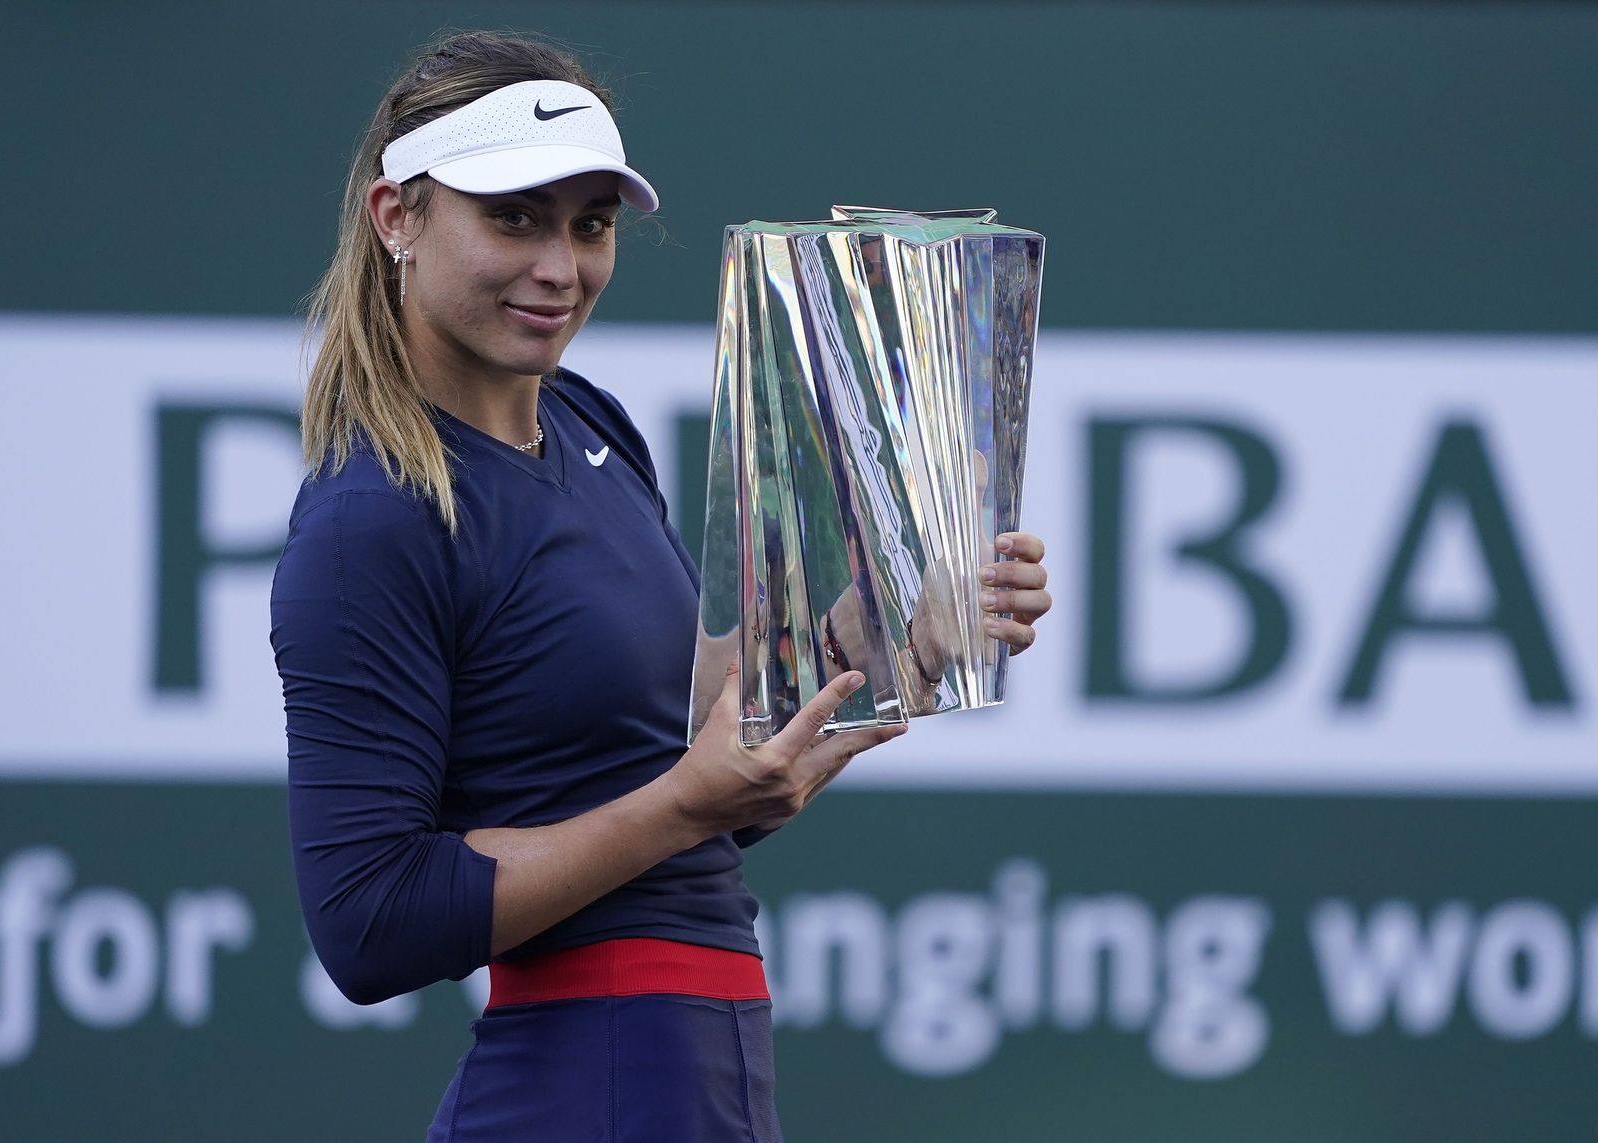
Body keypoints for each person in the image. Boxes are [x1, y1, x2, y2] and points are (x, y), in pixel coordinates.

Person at [270, 31, 1052, 1142]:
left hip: (702, 1073)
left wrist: (902, 633)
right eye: (514, 217)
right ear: (398, 217)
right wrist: (688, 801)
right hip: (582, 1088)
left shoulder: (590, 424)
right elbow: (369, 922)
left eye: (589, 225)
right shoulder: (370, 522)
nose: (560, 266)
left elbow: (695, 757)